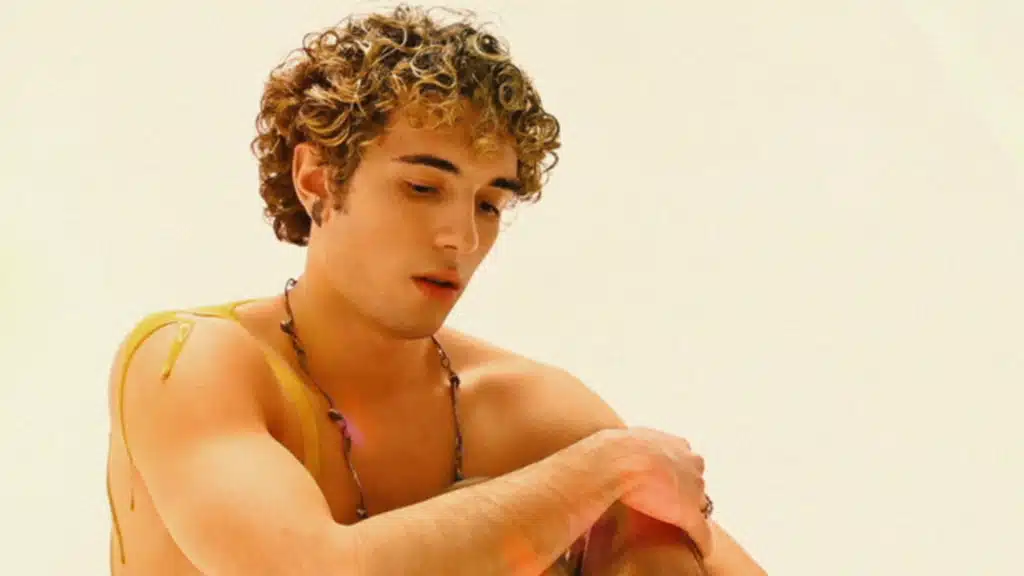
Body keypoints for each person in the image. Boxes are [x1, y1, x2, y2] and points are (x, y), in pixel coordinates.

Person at [105, 5, 766, 575]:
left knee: (645, 534)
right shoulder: (191, 364)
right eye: (422, 188)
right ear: (316, 179)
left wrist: (634, 513)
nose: (462, 238)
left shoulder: (528, 409)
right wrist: (607, 466)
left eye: (489, 204)